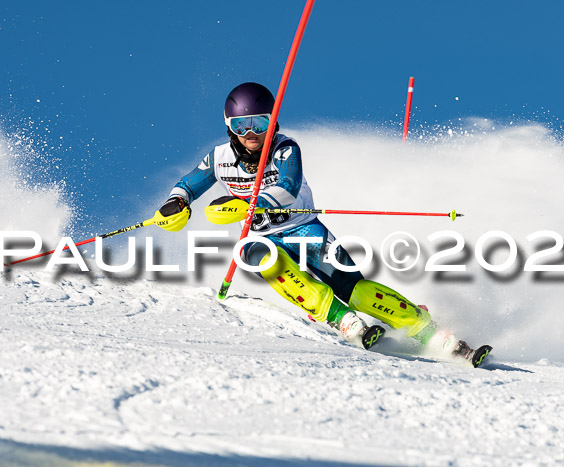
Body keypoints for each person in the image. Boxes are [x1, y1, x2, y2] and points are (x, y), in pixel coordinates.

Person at [154, 82, 491, 366]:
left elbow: (286, 188)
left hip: (303, 229)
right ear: (229, 126)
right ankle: (340, 320)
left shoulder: (286, 150)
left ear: (272, 122)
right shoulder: (218, 158)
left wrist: (243, 203)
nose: (251, 134)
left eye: (259, 123)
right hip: (262, 238)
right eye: (241, 126)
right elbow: (190, 182)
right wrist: (176, 202)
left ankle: (431, 332)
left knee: (354, 289)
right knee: (262, 261)